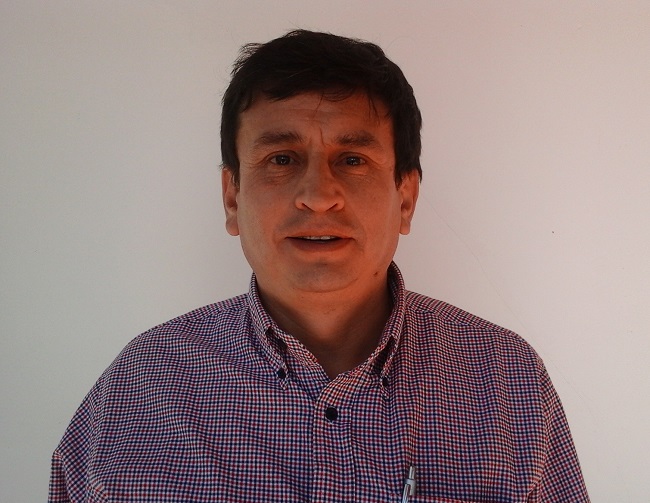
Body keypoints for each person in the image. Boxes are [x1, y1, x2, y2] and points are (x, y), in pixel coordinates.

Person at [49, 30, 589, 502]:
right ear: (232, 198)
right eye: (281, 159)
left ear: (406, 198)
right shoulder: (137, 392)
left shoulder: (508, 380)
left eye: (352, 160)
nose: (318, 195)